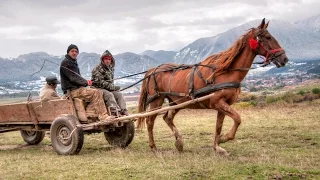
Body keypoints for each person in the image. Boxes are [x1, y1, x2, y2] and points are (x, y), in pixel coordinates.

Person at [60, 44, 114, 121]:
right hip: (72, 91)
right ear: (68, 52)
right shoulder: (66, 63)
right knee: (96, 92)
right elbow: (73, 78)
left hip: (77, 89)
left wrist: (86, 82)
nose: (74, 53)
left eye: (76, 51)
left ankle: (89, 113)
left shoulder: (72, 62)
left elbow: (77, 77)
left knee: (98, 92)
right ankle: (103, 116)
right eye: (72, 51)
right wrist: (86, 82)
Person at [91, 50, 129, 116]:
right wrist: (113, 87)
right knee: (109, 95)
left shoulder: (110, 69)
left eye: (109, 59)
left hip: (107, 89)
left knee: (119, 94)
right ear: (103, 60)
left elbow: (110, 81)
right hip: (97, 89)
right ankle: (115, 112)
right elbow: (100, 82)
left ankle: (124, 110)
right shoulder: (97, 69)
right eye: (106, 59)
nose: (107, 61)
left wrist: (113, 88)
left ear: (111, 60)